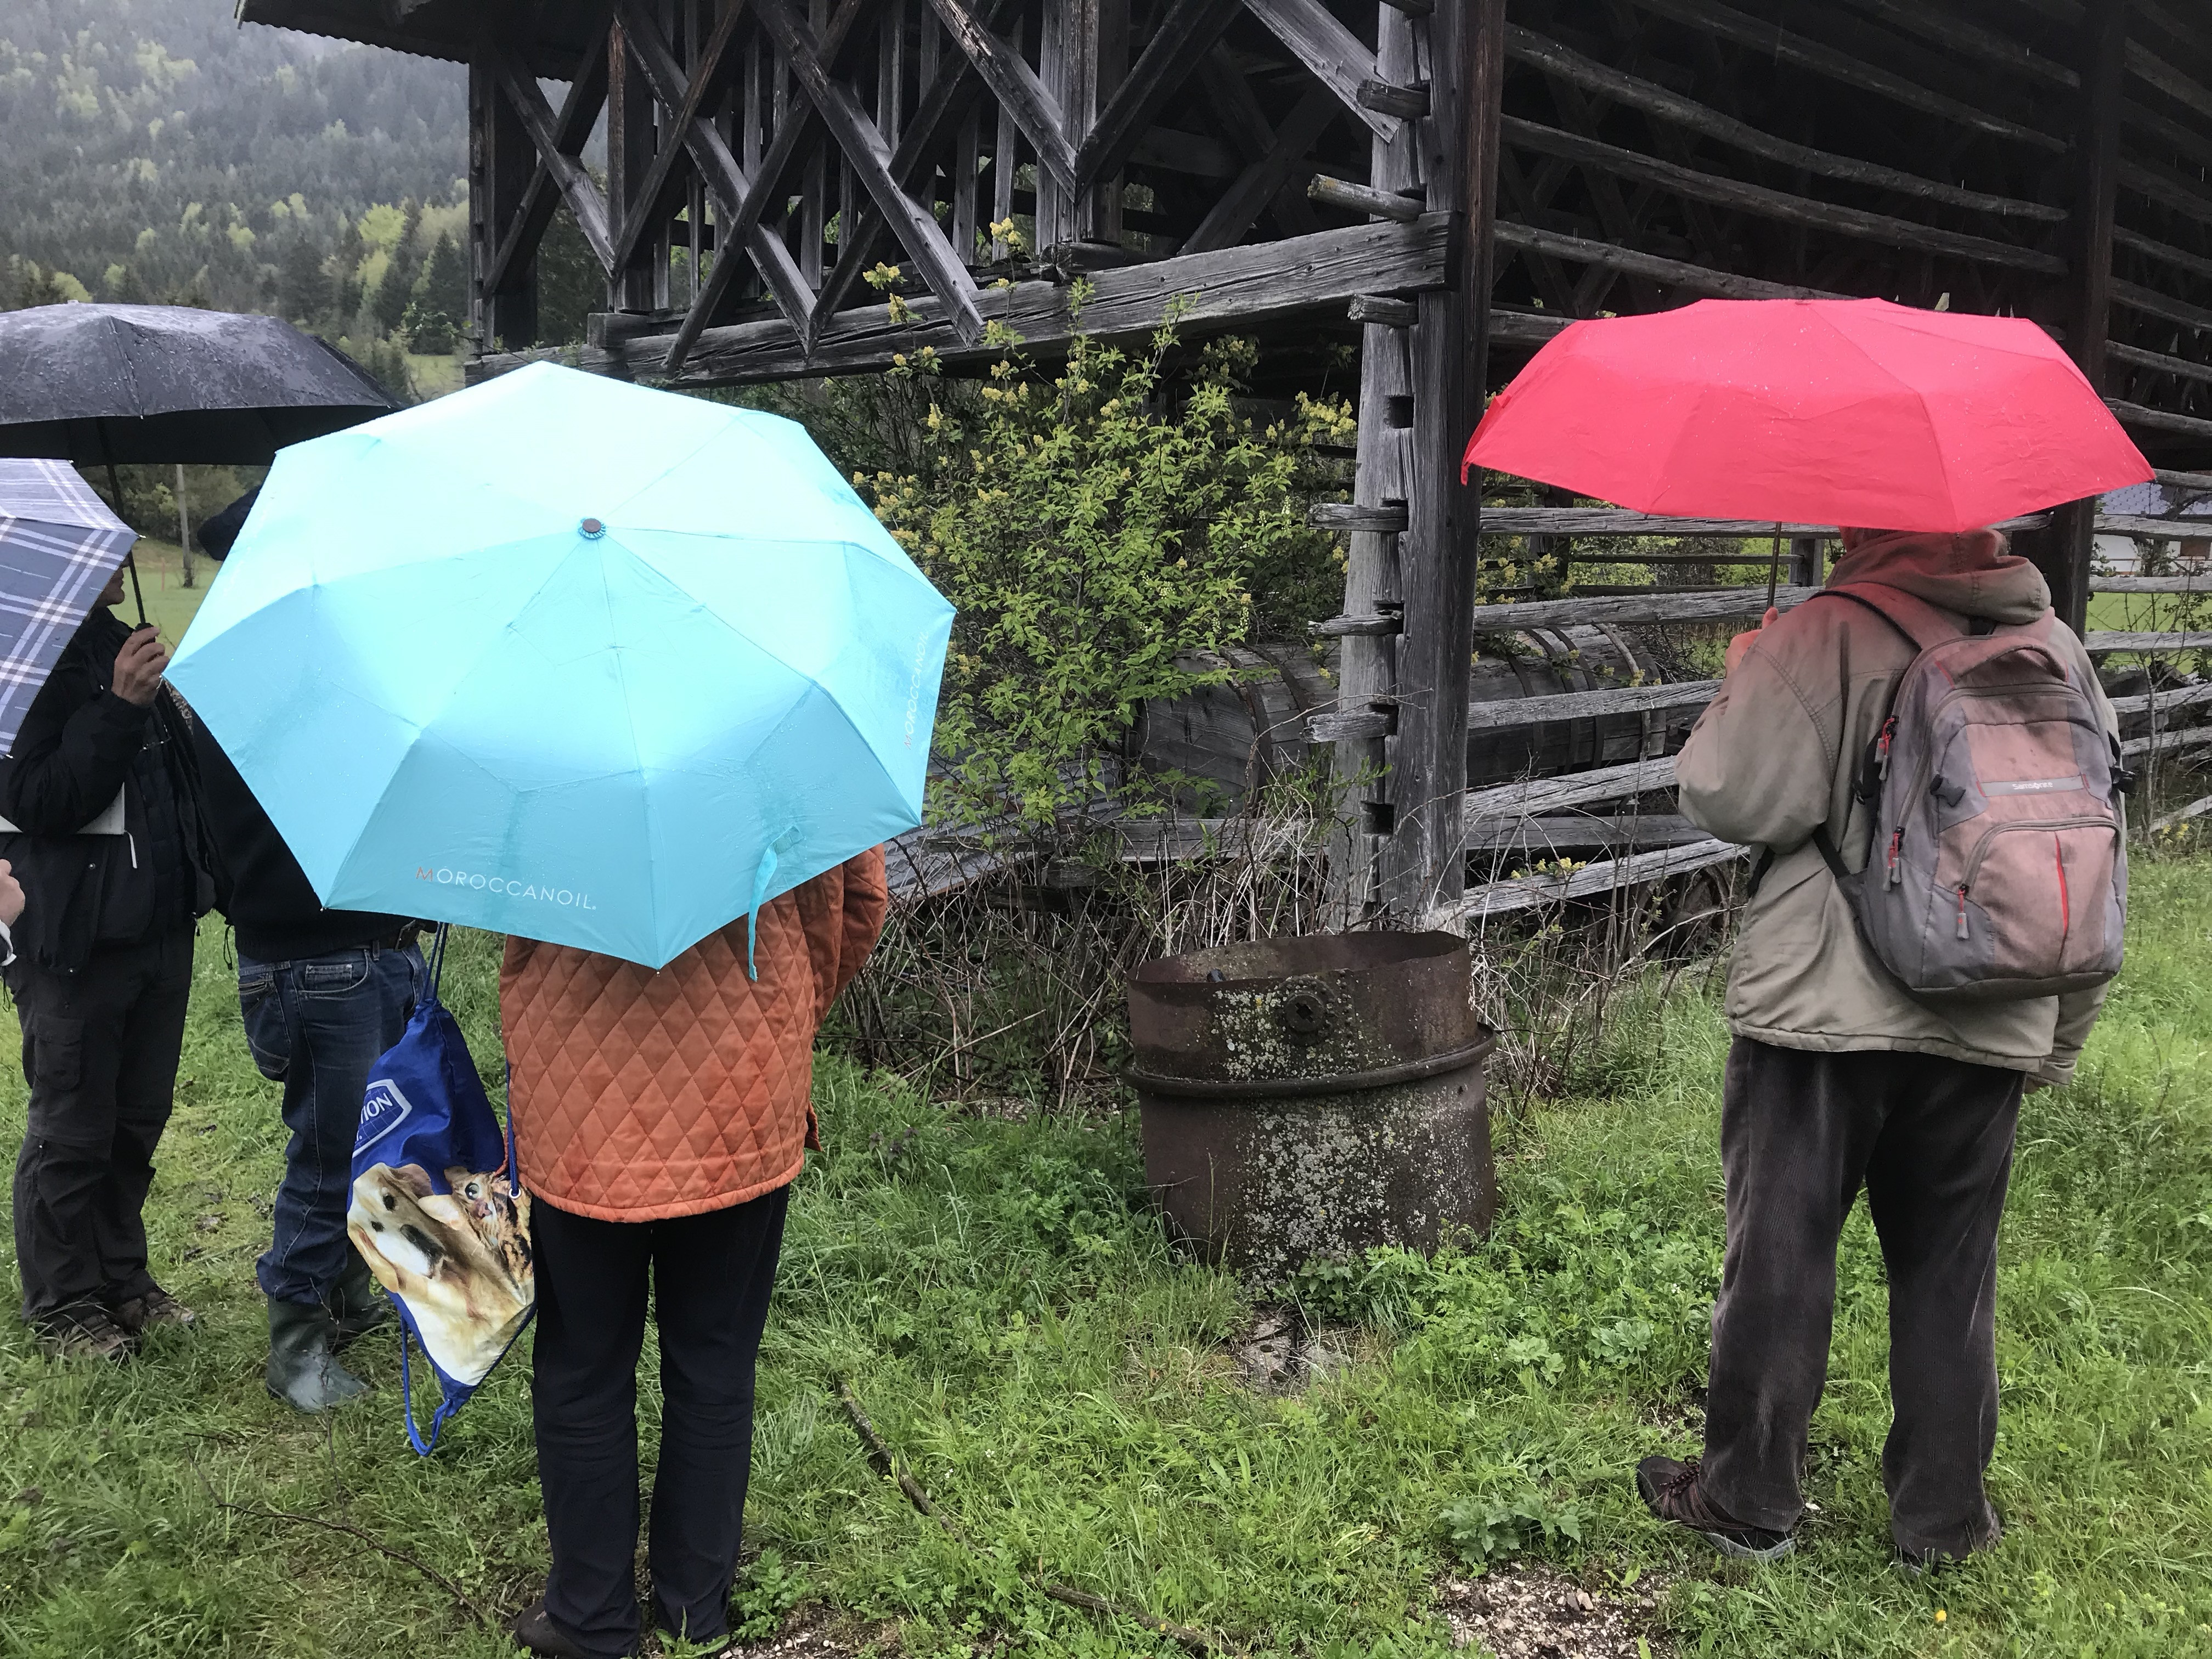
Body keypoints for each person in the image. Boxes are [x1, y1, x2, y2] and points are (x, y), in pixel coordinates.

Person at [1639, 527, 2119, 1570]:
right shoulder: (2057, 646)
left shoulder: (1821, 632)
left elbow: (1730, 795)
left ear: (1867, 521)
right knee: (1951, 1273)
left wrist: (1743, 677)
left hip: (1821, 1009)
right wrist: (2056, 1034)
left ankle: (1746, 1497)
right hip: (1994, 1000)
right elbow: (2082, 842)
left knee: (1781, 1252)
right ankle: (1941, 1525)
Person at [500, 849, 888, 1659]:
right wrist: (779, 1014)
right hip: (742, 1086)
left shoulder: (537, 729)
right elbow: (856, 902)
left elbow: (512, 897)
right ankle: (691, 1614)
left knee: (581, 1364)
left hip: (578, 1087)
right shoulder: (790, 729)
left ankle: (590, 1616)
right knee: (715, 1362)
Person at [3, 571, 217, 1361]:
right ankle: (63, 1301)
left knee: (134, 1121)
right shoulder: (17, 663)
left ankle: (124, 1280)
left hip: (155, 924)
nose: (121, 551)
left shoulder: (109, 640)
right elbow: (37, 799)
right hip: (73, 940)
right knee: (74, 1125)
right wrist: (121, 704)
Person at [191, 725, 422, 1411]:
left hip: (366, 950)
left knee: (372, 1144)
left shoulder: (304, 696)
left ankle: (350, 1292)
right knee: (328, 1155)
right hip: (322, 961)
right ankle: (295, 1344)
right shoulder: (270, 711)